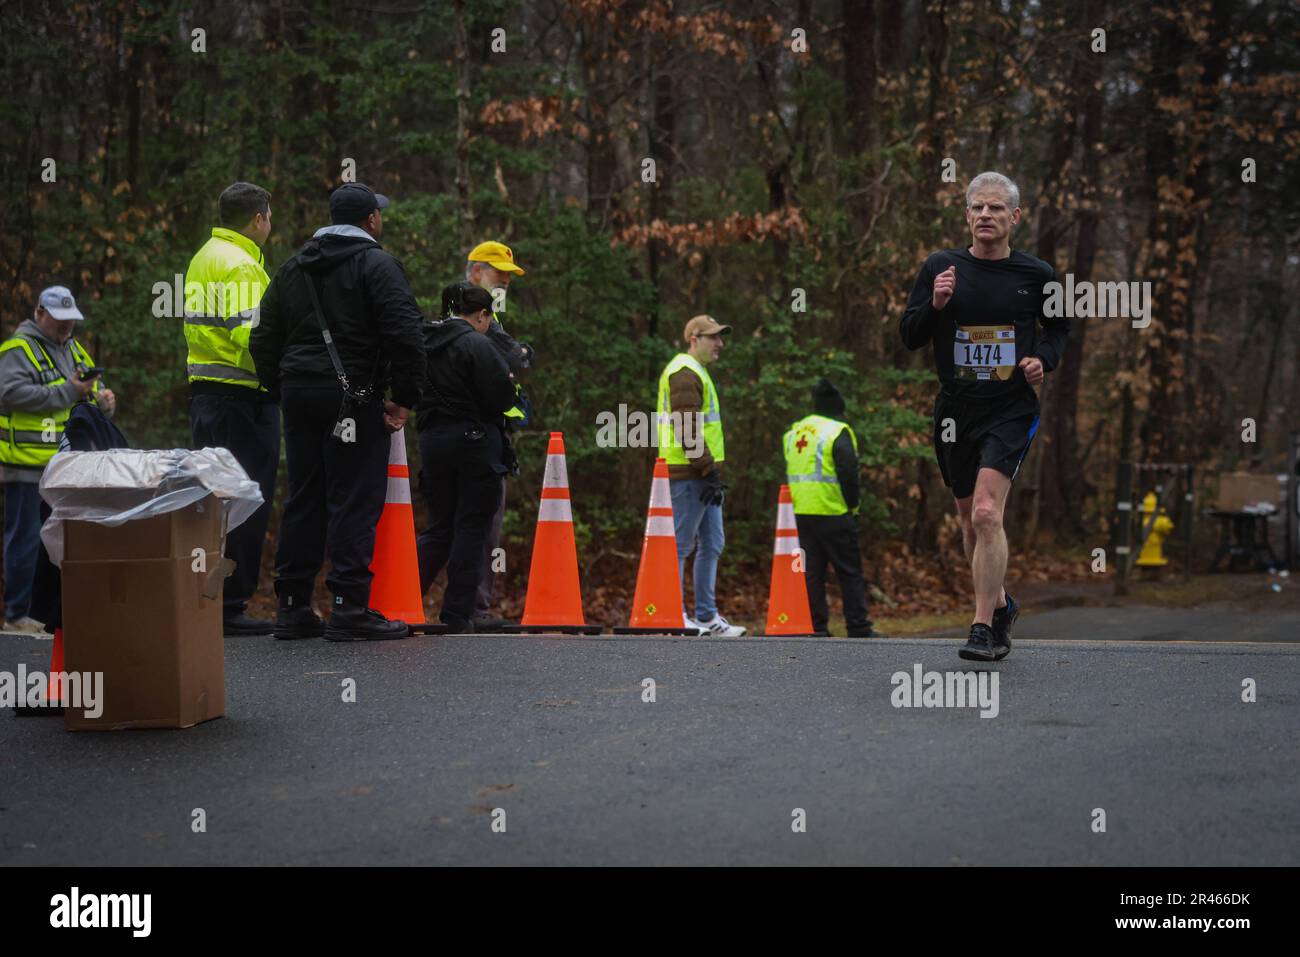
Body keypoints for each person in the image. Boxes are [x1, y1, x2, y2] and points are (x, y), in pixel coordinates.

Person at [899, 171, 1068, 661]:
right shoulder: (941, 268)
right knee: (969, 523)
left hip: (1010, 407)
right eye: (978, 208)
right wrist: (935, 304)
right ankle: (1000, 604)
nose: (986, 216)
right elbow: (910, 335)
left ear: (1014, 217)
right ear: (967, 214)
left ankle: (981, 627)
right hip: (956, 410)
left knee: (987, 512)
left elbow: (1058, 330)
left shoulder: (1037, 275)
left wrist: (1043, 359)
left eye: (996, 209)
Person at [250, 183, 424, 642]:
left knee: (305, 493)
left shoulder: (293, 267)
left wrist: (280, 386)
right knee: (353, 495)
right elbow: (407, 334)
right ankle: (348, 606)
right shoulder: (378, 266)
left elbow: (262, 337)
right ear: (371, 220)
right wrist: (403, 398)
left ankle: (292, 606)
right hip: (353, 396)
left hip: (299, 393)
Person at [183, 181, 279, 636]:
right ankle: (232, 603)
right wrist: (282, 376)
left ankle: (211, 599)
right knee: (245, 501)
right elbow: (250, 336)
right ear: (258, 218)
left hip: (206, 395)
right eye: (269, 216)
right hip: (241, 399)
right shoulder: (241, 266)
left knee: (213, 502)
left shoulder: (205, 256)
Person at [0, 287, 115, 634]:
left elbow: (88, 391)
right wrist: (68, 392)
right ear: (39, 314)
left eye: (70, 321)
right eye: (59, 320)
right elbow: (10, 393)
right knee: (27, 538)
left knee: (63, 539)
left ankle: (49, 611)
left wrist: (104, 401)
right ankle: (17, 614)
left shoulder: (74, 349)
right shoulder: (18, 350)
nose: (66, 328)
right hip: (26, 463)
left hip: (66, 462)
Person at [416, 282, 518, 633]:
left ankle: (401, 596)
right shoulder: (478, 344)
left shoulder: (423, 340)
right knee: (471, 526)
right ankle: (457, 613)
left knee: (439, 526)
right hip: (475, 440)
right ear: (482, 315)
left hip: (432, 440)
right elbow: (504, 395)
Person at [656, 315, 745, 637]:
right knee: (682, 545)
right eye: (713, 337)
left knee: (712, 543)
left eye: (721, 337)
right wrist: (707, 470)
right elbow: (687, 427)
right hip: (688, 473)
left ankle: (706, 616)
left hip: (703, 473)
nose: (720, 343)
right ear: (694, 339)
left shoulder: (697, 372)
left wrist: (711, 472)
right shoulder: (684, 372)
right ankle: (674, 614)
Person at [463, 240, 532, 630]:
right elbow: (513, 356)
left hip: (489, 434)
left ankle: (471, 607)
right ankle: (470, 608)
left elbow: (518, 357)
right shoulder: (470, 319)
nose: (504, 283)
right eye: (497, 275)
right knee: (478, 524)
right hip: (476, 437)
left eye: (508, 278)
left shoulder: (490, 318)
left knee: (480, 526)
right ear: (475, 273)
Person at [783, 378, 877, 638]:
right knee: (849, 571)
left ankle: (817, 627)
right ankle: (858, 626)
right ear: (837, 409)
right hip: (833, 511)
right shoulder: (837, 431)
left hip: (800, 514)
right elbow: (849, 474)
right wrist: (853, 506)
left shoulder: (793, 432)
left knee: (811, 573)